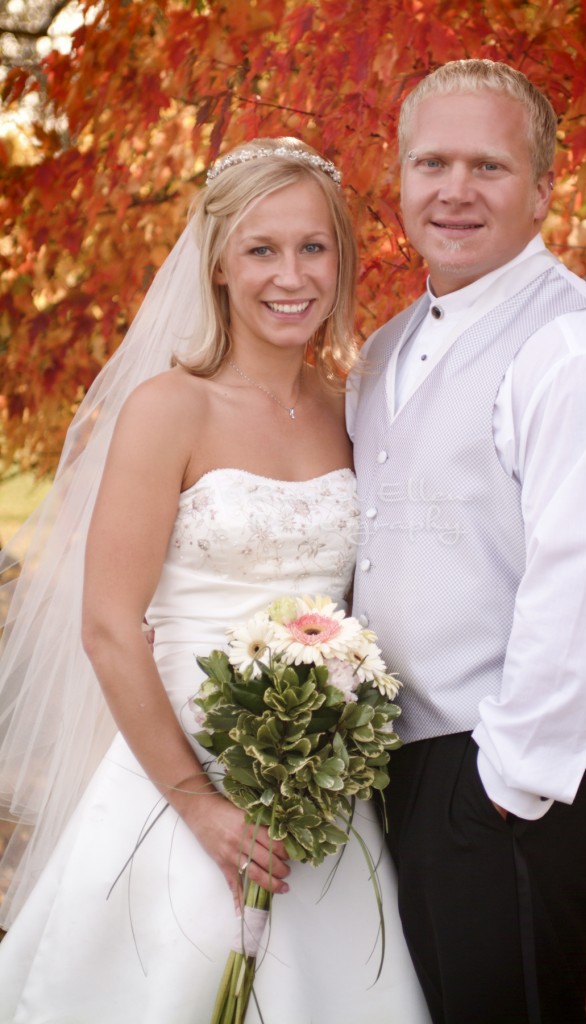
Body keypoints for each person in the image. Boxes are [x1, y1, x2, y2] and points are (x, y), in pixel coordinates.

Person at [0, 138, 431, 1023]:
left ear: (341, 262)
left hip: (319, 786)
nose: (291, 275)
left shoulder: (349, 410)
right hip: (179, 776)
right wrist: (199, 808)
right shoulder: (170, 408)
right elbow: (110, 628)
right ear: (219, 265)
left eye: (312, 247)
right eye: (261, 249)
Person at [348, 59, 586, 1024]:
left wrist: (509, 786)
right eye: (430, 162)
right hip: (389, 768)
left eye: (488, 168)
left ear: (541, 189)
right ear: (398, 179)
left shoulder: (579, 353)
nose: (454, 191)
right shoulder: (385, 349)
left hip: (496, 777)